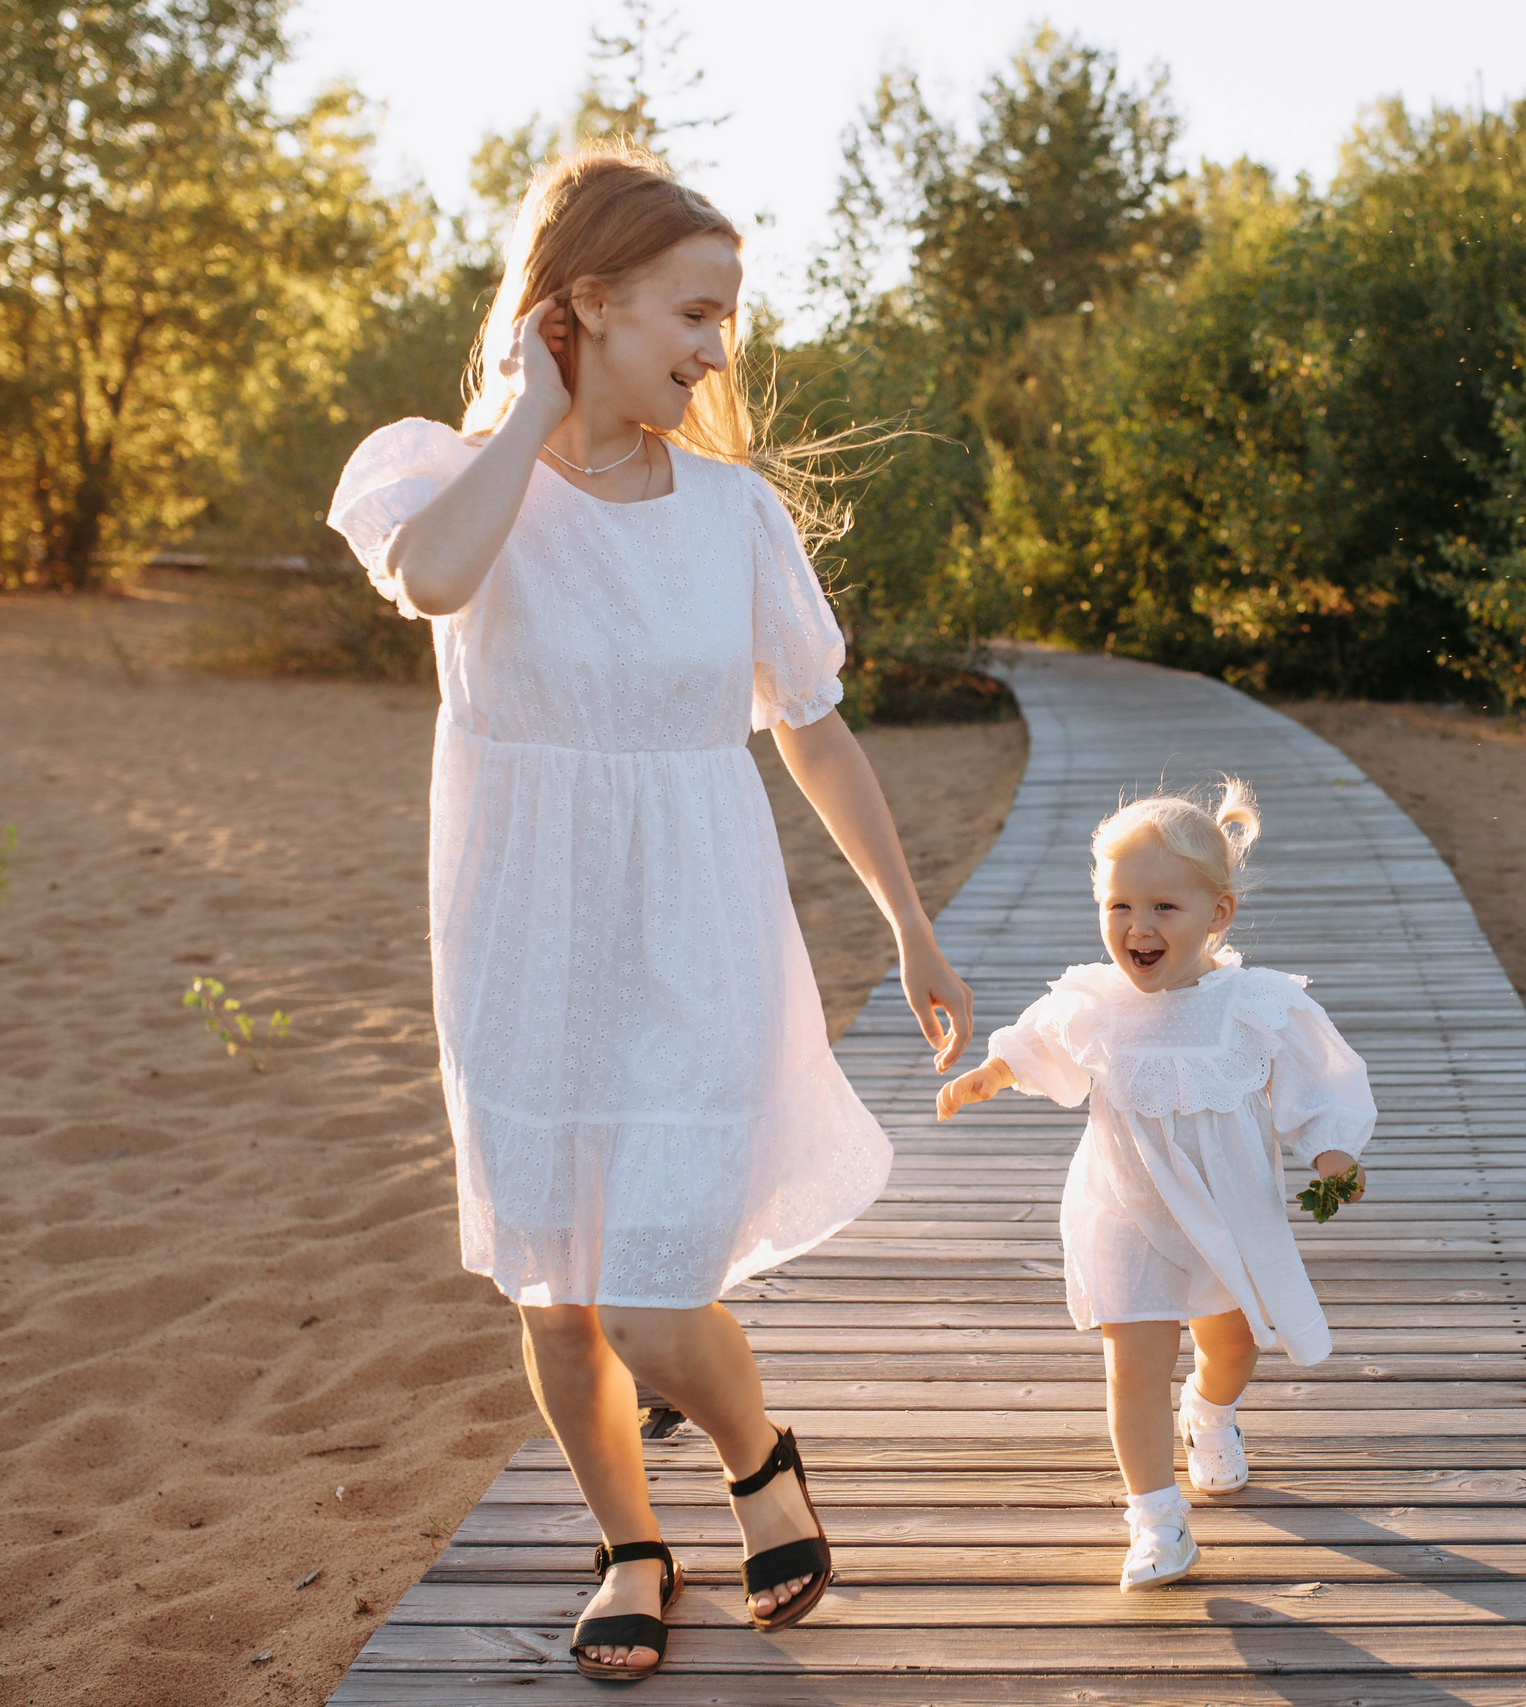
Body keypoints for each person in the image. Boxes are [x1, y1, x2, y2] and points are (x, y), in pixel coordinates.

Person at [326, 144, 973, 1683]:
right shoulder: (431, 471)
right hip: (521, 925)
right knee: (559, 1297)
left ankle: (758, 1454)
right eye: (694, 310)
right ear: (586, 304)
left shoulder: (734, 516)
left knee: (657, 1291)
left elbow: (809, 726)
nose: (717, 349)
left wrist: (909, 919)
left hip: (695, 917)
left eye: (729, 319)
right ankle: (631, 1539)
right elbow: (430, 581)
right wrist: (533, 413)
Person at [935, 782, 1374, 1589]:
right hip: (1123, 1210)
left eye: (1164, 906)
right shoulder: (1094, 1002)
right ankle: (1157, 1519)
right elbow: (1041, 1043)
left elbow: (1319, 1080)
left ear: (1218, 914)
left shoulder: (1254, 1004)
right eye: (1118, 905)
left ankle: (1209, 1411)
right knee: (1132, 1364)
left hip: (1221, 1211)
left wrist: (1330, 1151)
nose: (1137, 928)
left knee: (1231, 1347)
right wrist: (993, 1072)